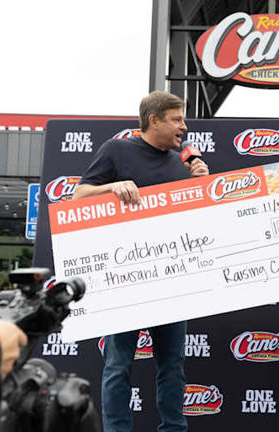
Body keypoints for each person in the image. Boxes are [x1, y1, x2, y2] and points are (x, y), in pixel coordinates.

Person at [73, 90, 209, 432]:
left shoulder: (182, 163)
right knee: (118, 366)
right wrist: (112, 187)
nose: (184, 127)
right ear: (154, 120)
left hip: (172, 282)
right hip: (125, 282)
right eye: (177, 119)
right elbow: (77, 195)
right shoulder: (117, 150)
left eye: (184, 119)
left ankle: (173, 429)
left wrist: (202, 186)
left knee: (173, 366)